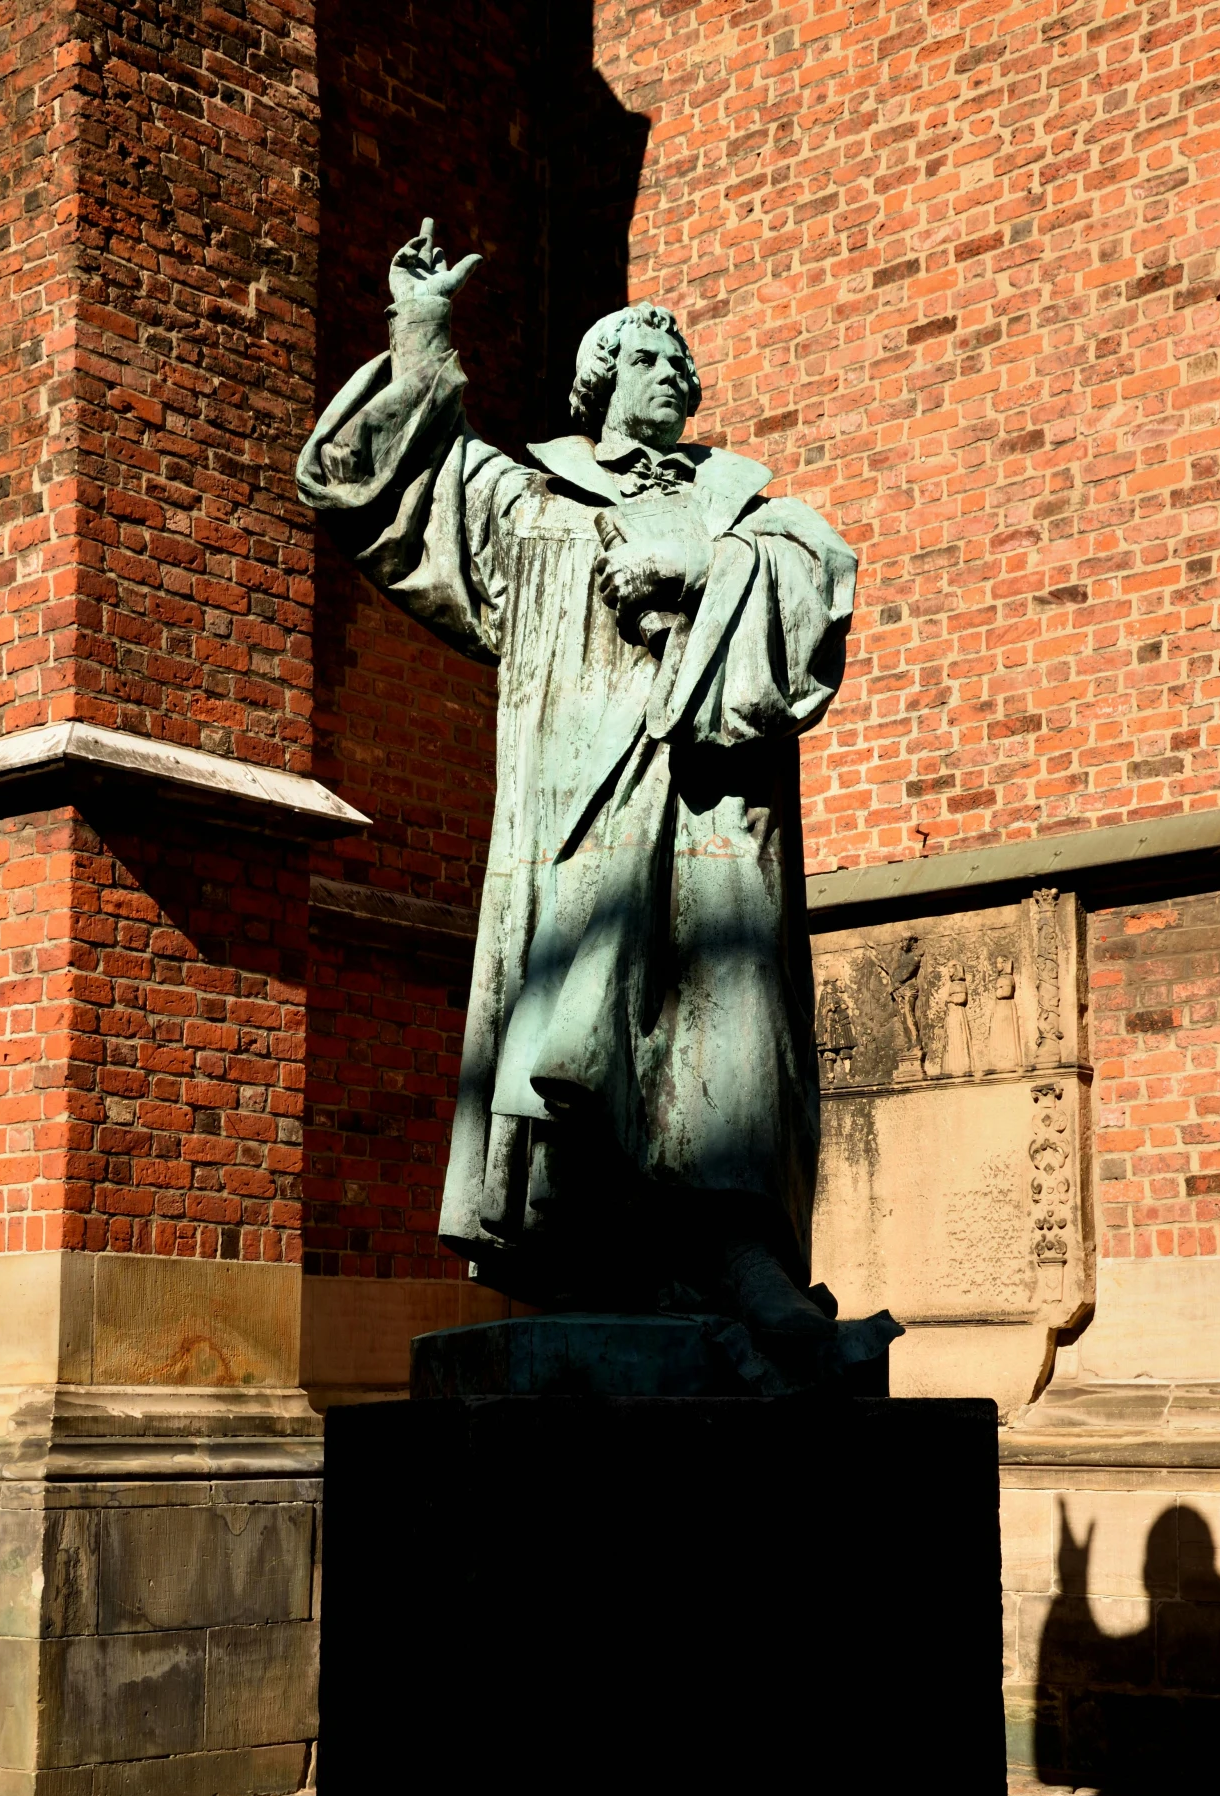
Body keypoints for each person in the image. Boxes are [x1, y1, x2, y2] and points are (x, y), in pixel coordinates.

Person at [298, 221, 880, 1361]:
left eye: (686, 364)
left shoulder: (750, 510)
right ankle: (593, 1249)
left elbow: (817, 592)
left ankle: (730, 1245)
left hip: (715, 810)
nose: (683, 376)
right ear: (603, 381)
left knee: (729, 1025)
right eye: (655, 360)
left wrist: (702, 564)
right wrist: (419, 335)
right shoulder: (534, 504)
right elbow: (377, 490)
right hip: (582, 817)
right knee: (582, 1027)